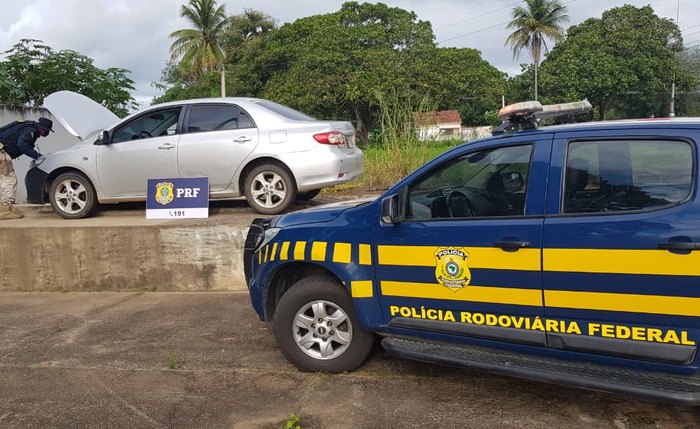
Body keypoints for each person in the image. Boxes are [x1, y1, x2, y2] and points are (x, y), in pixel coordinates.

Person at [0, 117, 53, 220]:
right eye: (47, 131)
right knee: (9, 180)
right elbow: (22, 145)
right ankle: (4, 210)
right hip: (2, 154)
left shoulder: (27, 125)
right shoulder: (30, 130)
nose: (47, 133)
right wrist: (37, 156)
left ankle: (7, 207)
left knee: (5, 180)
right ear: (42, 129)